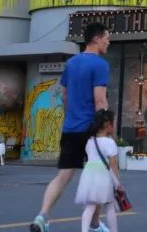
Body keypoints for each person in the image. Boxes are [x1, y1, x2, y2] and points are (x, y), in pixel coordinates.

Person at [31, 23, 111, 232]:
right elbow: (100, 101)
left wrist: (70, 117)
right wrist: (105, 129)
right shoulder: (100, 65)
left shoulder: (71, 63)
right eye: (106, 38)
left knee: (63, 175)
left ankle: (42, 216)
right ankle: (94, 224)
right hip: (91, 130)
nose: (108, 42)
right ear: (96, 39)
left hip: (71, 128)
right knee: (99, 177)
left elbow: (65, 95)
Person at [75, 110, 122, 232]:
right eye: (113, 123)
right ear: (108, 125)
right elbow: (113, 164)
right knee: (109, 205)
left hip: (89, 174)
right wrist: (116, 182)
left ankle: (84, 230)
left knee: (90, 206)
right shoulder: (110, 142)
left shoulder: (90, 141)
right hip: (103, 175)